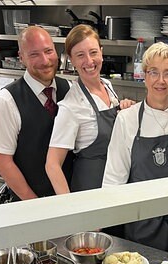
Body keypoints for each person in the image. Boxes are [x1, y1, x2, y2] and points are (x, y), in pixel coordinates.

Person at [102, 42, 168, 250]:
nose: (160, 81)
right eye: (154, 72)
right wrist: (105, 225)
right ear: (144, 75)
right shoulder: (127, 119)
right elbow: (113, 178)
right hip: (139, 221)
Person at [45, 24, 133, 194]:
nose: (89, 61)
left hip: (118, 184)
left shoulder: (107, 86)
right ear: (71, 59)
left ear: (101, 51)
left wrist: (126, 109)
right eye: (80, 55)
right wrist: (71, 207)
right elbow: (52, 164)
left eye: (93, 52)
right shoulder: (71, 107)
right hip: (91, 191)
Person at [0, 26, 72, 201]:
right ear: (21, 58)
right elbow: (3, 162)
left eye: (48, 51)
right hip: (30, 205)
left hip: (70, 199)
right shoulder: (7, 101)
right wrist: (35, 204)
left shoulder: (69, 89)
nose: (45, 60)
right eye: (34, 54)